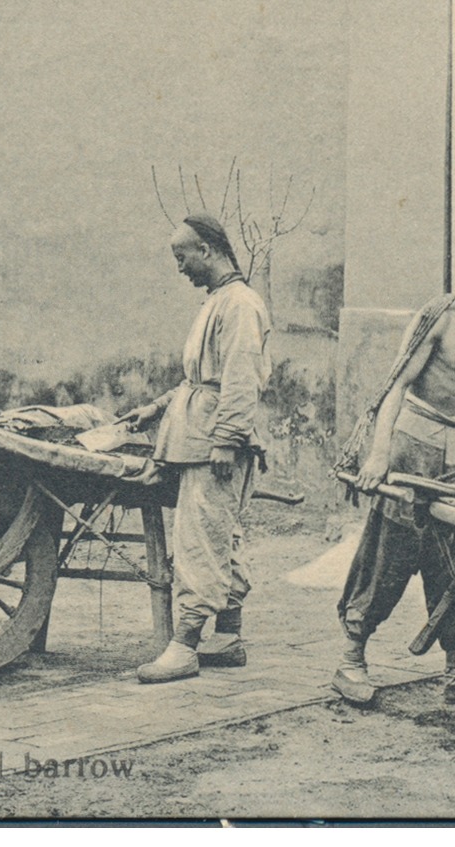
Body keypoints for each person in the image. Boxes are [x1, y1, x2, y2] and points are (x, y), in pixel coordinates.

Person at [330, 230, 455, 708]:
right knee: (388, 557)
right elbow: (396, 386)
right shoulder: (437, 317)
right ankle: (350, 662)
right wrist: (378, 455)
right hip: (411, 453)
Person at [121, 215, 271, 684]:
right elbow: (199, 380)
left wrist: (227, 440)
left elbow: (240, 378)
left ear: (207, 250)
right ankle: (226, 638)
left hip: (214, 444)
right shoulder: (219, 301)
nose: (180, 267)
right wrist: (157, 407)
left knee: (199, 541)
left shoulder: (241, 304)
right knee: (221, 535)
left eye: (182, 256)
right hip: (200, 436)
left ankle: (184, 646)